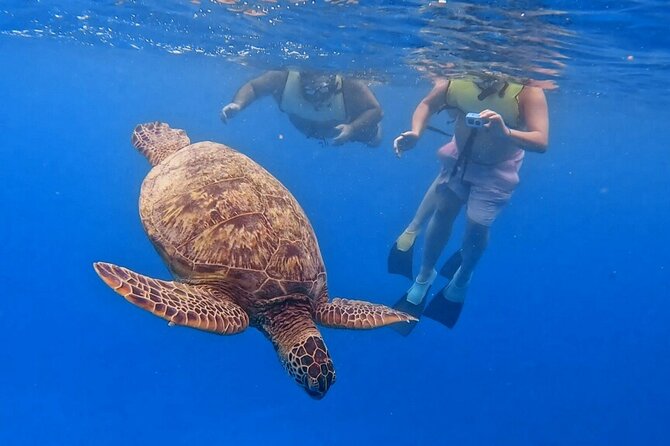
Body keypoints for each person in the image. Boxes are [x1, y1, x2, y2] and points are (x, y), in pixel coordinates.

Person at [388, 73, 549, 333]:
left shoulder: (528, 91)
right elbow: (428, 104)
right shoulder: (456, 79)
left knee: (477, 227)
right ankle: (424, 276)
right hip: (459, 159)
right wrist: (416, 132)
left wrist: (505, 131)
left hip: (497, 169)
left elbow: (541, 141)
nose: (487, 76)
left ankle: (462, 278)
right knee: (442, 212)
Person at [221, 70, 383, 147]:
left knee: (374, 140)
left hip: (346, 126)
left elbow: (375, 110)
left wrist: (353, 128)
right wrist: (238, 104)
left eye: (321, 88)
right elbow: (254, 88)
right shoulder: (282, 79)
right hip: (312, 130)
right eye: (309, 79)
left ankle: (370, 132)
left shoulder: (350, 86)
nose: (315, 86)